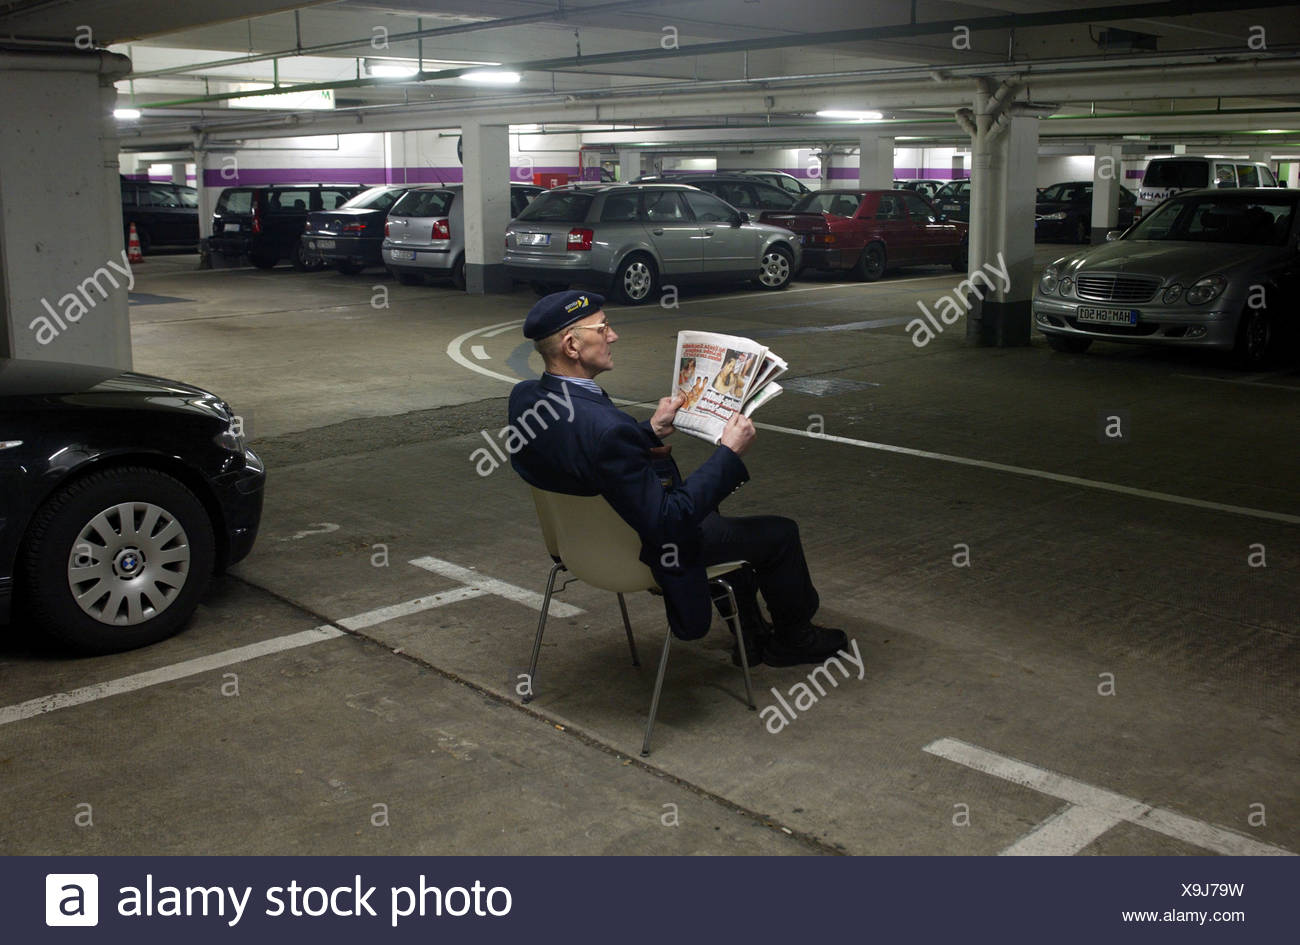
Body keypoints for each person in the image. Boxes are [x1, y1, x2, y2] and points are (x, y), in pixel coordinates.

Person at [508, 290, 847, 666]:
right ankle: (793, 639)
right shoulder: (606, 429)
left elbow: (579, 451)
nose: (613, 336)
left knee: (715, 519)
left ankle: (749, 634)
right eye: (603, 328)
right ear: (572, 345)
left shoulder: (525, 399)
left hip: (579, 550)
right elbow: (670, 520)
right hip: (640, 556)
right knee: (779, 534)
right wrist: (729, 453)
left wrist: (648, 431)